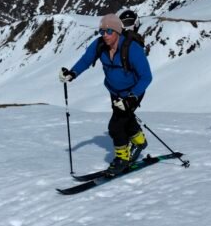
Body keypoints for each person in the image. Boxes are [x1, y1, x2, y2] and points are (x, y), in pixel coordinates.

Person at [60, 13, 153, 175]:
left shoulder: (132, 49)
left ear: (117, 31)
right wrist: (72, 73)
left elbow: (146, 77)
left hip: (133, 91)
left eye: (109, 31)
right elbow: (86, 60)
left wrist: (132, 98)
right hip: (114, 91)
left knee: (116, 126)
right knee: (126, 118)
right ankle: (139, 141)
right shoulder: (99, 45)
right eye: (102, 32)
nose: (105, 35)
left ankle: (122, 159)